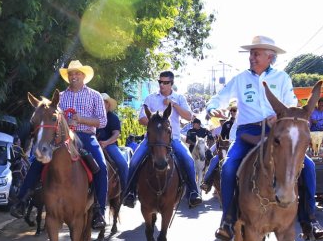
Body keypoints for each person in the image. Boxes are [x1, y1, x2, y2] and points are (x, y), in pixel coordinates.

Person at [206, 35, 323, 241]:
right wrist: (213, 108)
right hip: (247, 134)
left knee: (308, 166)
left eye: (256, 54)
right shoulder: (240, 78)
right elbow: (219, 97)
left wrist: (281, 114)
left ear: (270, 57)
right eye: (251, 54)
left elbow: (292, 104)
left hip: (276, 134)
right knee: (228, 167)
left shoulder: (283, 79)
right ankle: (227, 220)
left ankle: (310, 221)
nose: (252, 57)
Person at [10, 60, 108, 229]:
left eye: (77, 73)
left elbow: (103, 121)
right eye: (71, 74)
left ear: (84, 76)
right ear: (67, 77)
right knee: (38, 161)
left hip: (85, 136)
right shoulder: (60, 97)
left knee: (101, 167)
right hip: (61, 138)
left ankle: (99, 210)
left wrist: (81, 119)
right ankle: (22, 200)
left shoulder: (94, 95)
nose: (74, 76)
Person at [122, 70, 203, 209]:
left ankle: (193, 192)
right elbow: (141, 119)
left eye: (165, 82)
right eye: (160, 82)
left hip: (173, 139)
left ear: (171, 84)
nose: (162, 85)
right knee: (134, 161)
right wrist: (156, 122)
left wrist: (173, 104)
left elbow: (189, 117)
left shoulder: (179, 98)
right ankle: (130, 193)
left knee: (188, 160)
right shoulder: (151, 98)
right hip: (151, 140)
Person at [97, 93, 128, 196]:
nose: (101, 104)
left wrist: (106, 142)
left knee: (122, 164)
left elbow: (116, 134)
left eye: (104, 102)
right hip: (94, 143)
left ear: (108, 105)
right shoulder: (92, 117)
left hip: (109, 145)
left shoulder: (113, 118)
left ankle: (126, 190)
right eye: (99, 102)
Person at [201, 106, 236, 192]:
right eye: (231, 110)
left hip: (240, 146)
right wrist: (220, 145)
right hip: (226, 147)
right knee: (214, 160)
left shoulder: (243, 122)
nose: (232, 112)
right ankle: (206, 181)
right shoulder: (226, 124)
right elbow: (222, 137)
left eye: (234, 110)